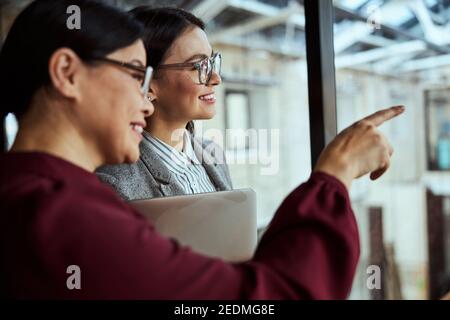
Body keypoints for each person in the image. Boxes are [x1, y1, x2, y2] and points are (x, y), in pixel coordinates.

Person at [0, 0, 404, 299]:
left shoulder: (31, 194)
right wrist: (334, 176)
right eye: (136, 77)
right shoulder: (65, 215)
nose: (145, 101)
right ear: (67, 74)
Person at [96, 7, 232, 201]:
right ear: (147, 84)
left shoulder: (213, 153)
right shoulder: (114, 183)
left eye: (211, 62)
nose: (216, 78)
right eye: (198, 66)